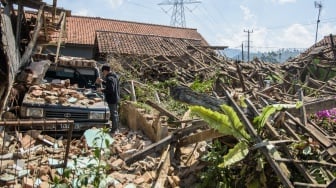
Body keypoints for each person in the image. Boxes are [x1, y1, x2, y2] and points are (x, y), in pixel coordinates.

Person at [96, 65, 120, 133]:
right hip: (116, 98)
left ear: (105, 71)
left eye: (103, 72)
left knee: (113, 115)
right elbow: (110, 85)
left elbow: (110, 90)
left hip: (112, 99)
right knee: (115, 114)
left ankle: (114, 130)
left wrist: (102, 90)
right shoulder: (115, 76)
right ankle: (116, 128)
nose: (103, 73)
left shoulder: (109, 78)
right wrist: (103, 82)